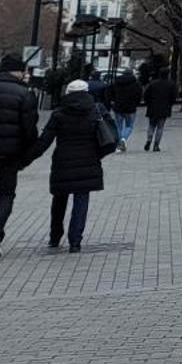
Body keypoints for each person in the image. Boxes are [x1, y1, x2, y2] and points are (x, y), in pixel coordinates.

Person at [33, 78, 114, 252]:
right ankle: (75, 241)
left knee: (59, 199)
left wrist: (26, 158)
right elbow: (109, 137)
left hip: (63, 161)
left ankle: (55, 237)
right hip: (89, 160)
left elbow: (45, 140)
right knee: (81, 200)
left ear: (67, 93)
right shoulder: (96, 110)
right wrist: (97, 155)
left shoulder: (59, 113)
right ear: (87, 92)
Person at [0, 53, 41, 258]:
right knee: (6, 195)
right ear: (18, 71)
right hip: (9, 155)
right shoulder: (24, 93)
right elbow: (29, 129)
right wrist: (27, 155)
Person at [106, 65, 143, 152]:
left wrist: (112, 101)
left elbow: (108, 92)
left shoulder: (116, 82)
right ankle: (123, 139)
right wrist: (136, 103)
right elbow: (139, 95)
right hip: (131, 107)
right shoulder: (136, 84)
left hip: (118, 106)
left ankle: (119, 142)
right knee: (129, 125)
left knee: (118, 125)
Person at [141, 66, 177, 152]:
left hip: (152, 107)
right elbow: (174, 97)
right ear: (167, 74)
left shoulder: (153, 84)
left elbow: (146, 95)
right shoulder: (171, 84)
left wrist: (148, 103)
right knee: (160, 127)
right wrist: (170, 104)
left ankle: (149, 139)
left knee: (151, 125)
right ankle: (156, 145)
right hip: (164, 108)